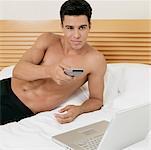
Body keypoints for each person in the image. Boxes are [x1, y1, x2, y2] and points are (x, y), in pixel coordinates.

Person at [0, 0, 106, 125]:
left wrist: (79, 109)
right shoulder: (47, 40)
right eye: (70, 28)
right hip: (5, 87)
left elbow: (97, 99)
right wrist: (50, 71)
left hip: (21, 107)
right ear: (62, 26)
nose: (76, 35)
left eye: (82, 27)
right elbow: (18, 71)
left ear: (90, 26)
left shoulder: (95, 60)